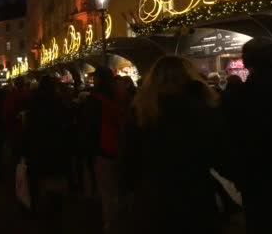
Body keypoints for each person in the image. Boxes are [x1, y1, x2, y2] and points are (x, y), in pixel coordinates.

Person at [120, 56, 221, 234]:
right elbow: (219, 152)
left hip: (154, 196)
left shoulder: (142, 110)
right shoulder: (202, 107)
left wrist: (131, 188)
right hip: (195, 194)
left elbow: (129, 157)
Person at [223, 38, 272, 234]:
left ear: (246, 62)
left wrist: (238, 174)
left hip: (256, 178)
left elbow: (229, 140)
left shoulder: (237, 96)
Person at [22, 76, 69, 230]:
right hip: (55, 147)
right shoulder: (59, 103)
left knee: (36, 179)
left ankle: (36, 209)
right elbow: (65, 126)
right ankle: (54, 213)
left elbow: (28, 127)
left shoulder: (34, 102)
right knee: (54, 180)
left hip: (37, 147)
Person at [89, 66, 124, 232]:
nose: (93, 80)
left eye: (95, 77)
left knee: (107, 190)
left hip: (104, 147)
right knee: (120, 187)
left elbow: (91, 127)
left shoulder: (95, 99)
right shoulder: (120, 95)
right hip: (121, 145)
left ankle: (111, 224)